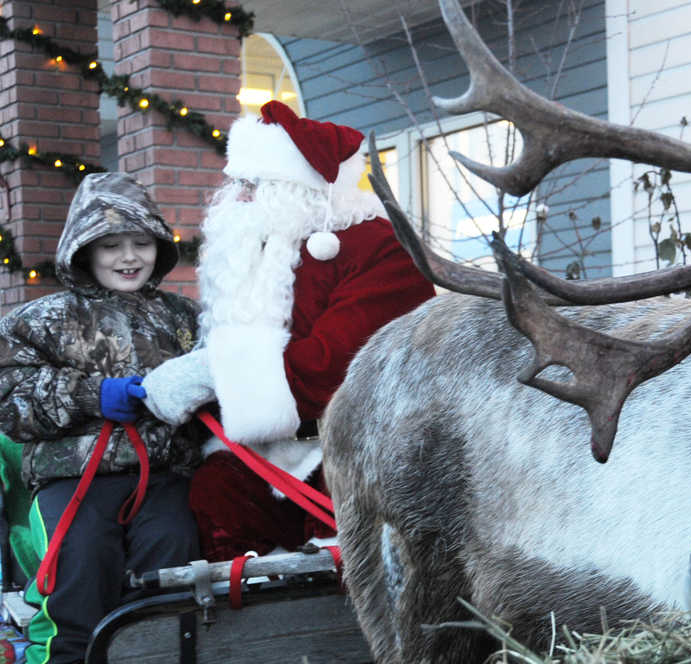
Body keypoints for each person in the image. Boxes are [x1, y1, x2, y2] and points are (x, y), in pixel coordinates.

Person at [143, 100, 435, 562]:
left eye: (251, 185)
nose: (235, 198)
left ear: (296, 189)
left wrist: (207, 373)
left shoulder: (379, 248)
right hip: (259, 454)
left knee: (352, 566)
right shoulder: (260, 249)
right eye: (236, 182)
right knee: (214, 502)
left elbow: (339, 367)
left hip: (356, 450)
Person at [0, 173, 203, 664]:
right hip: (74, 482)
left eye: (141, 243)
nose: (129, 257)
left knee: (170, 576)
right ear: (83, 250)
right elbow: (9, 398)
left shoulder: (183, 317)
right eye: (111, 245)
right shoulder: (41, 320)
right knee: (80, 579)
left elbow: (211, 376)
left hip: (162, 477)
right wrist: (93, 395)